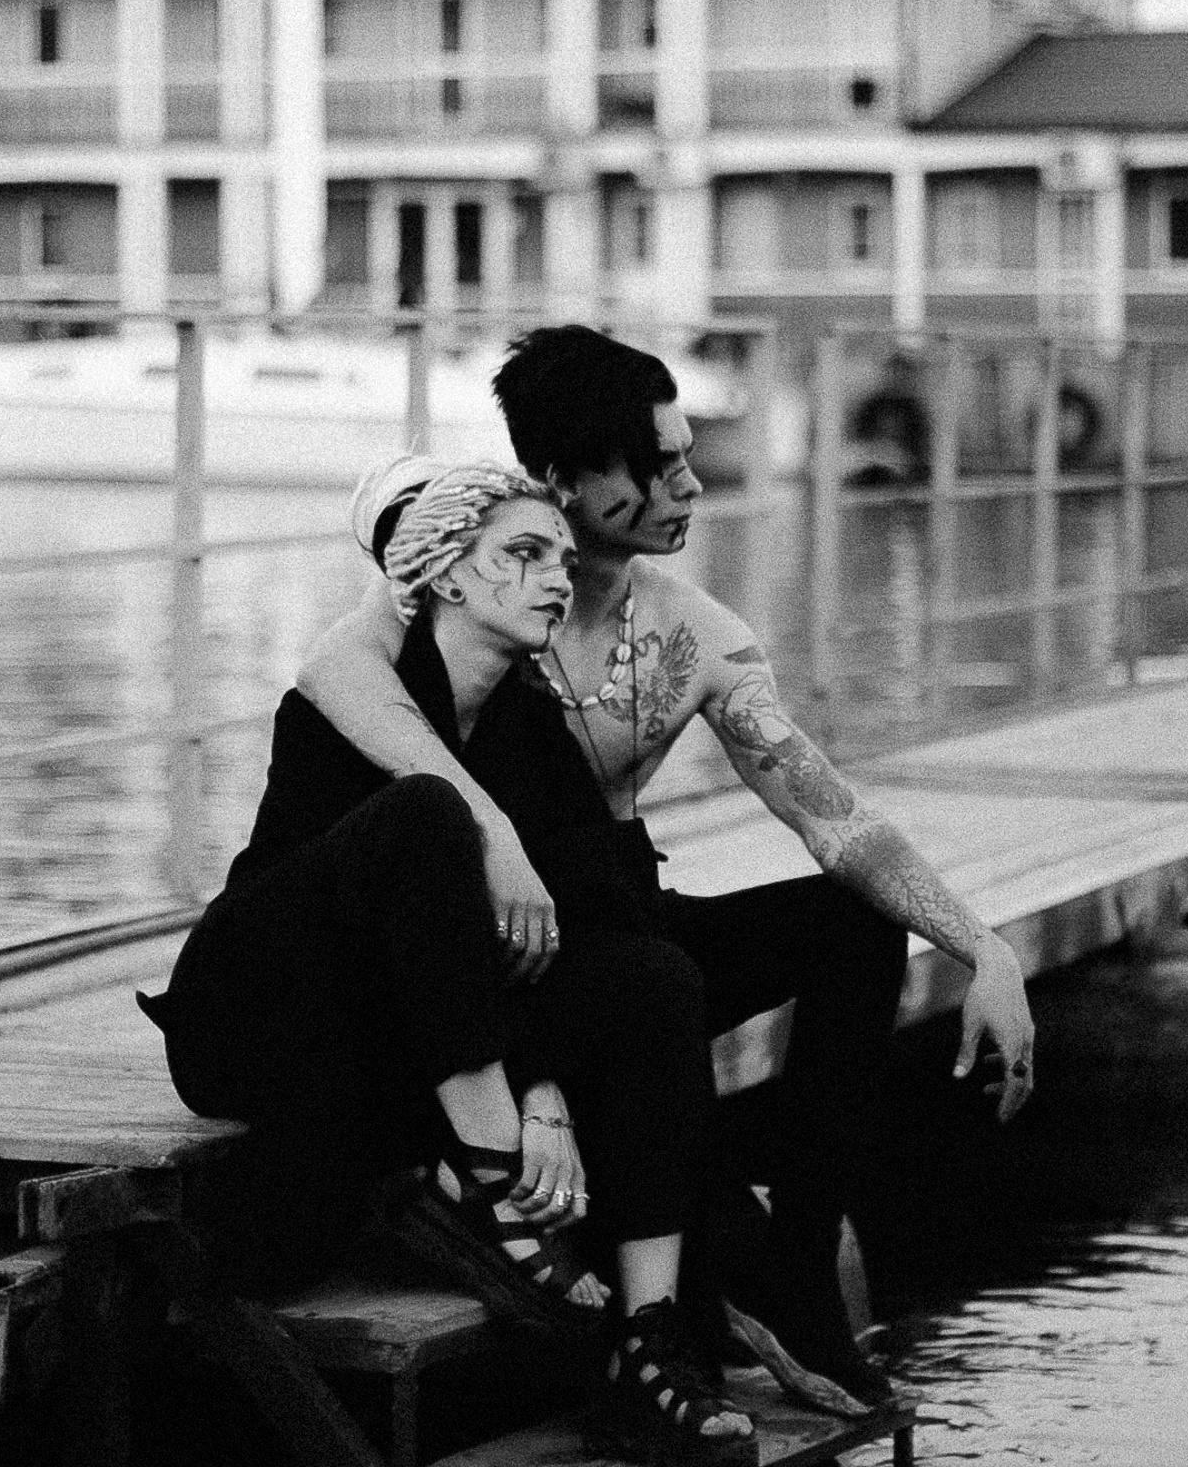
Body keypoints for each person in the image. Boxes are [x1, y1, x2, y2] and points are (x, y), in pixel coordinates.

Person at [297, 326, 1037, 1412]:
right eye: (657, 465)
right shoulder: (470, 572)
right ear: (557, 481)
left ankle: (798, 1260)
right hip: (480, 943)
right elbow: (332, 670)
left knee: (849, 924)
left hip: (614, 913)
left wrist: (986, 949)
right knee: (645, 1001)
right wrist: (495, 847)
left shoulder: (696, 635)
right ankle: (692, 1263)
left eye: (687, 454)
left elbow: (828, 813)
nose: (690, 484)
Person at [143, 462, 758, 1467]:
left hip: (411, 1034)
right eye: (522, 553)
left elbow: (592, 931)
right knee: (427, 816)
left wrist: (548, 1087)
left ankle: (651, 1342)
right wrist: (493, 833)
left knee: (659, 979)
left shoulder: (531, 726)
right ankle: (486, 1182)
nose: (556, 577)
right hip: (262, 1012)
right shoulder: (344, 709)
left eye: (562, 557)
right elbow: (390, 942)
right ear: (445, 575)